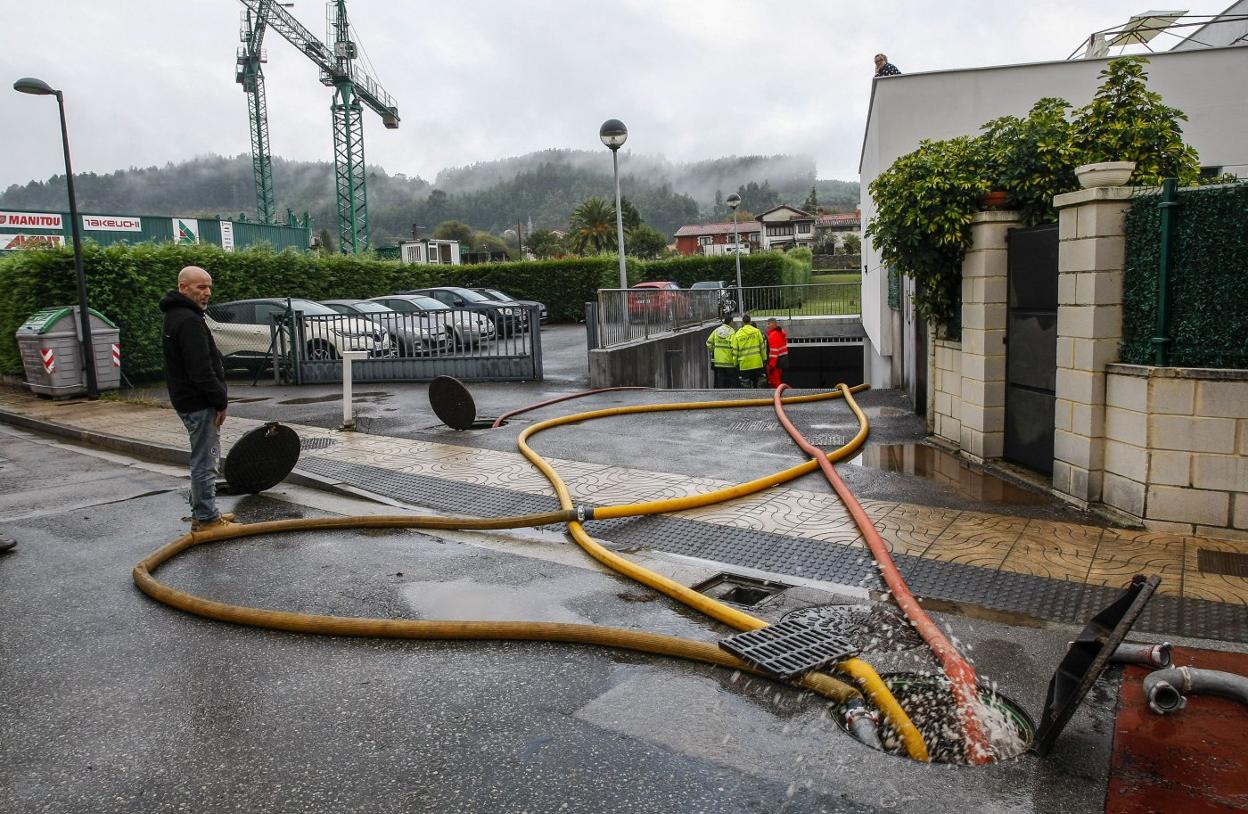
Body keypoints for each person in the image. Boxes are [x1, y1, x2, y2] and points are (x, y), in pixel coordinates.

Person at [160, 266, 234, 532]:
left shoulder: (176, 315)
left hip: (188, 400)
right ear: (183, 288)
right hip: (199, 402)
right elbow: (200, 369)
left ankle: (205, 511)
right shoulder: (188, 320)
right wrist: (220, 400)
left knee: (203, 458)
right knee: (206, 460)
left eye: (209, 286)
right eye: (200, 287)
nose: (207, 293)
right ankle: (206, 519)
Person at [732, 314, 767, 388]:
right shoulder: (757, 332)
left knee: (746, 385)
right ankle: (760, 398)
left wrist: (735, 363)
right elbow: (762, 347)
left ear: (742, 322)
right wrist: (764, 359)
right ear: (750, 321)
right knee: (759, 383)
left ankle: (748, 398)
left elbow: (735, 351)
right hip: (757, 363)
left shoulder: (737, 334)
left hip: (744, 364)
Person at [706, 315, 737, 388]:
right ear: (730, 322)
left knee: (720, 381)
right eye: (733, 322)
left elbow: (708, 343)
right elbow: (734, 348)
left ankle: (720, 396)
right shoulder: (732, 332)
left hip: (718, 362)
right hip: (729, 362)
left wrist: (714, 350)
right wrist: (735, 361)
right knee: (730, 382)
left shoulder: (716, 331)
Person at [765, 317, 789, 388]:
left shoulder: (773, 335)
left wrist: (771, 366)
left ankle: (777, 397)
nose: (767, 326)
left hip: (776, 362)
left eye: (769, 324)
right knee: (779, 381)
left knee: (775, 382)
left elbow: (774, 352)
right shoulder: (780, 333)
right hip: (782, 360)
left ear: (773, 324)